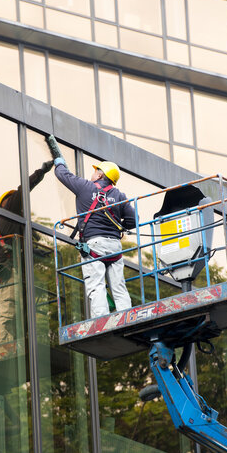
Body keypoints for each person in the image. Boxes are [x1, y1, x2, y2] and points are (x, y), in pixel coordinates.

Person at [47, 136, 135, 318]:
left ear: (101, 175)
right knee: (118, 286)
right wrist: (120, 227)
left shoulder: (85, 187)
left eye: (96, 171)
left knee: (96, 286)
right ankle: (126, 316)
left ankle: (101, 320)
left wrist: (60, 162)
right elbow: (133, 221)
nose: (93, 173)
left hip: (94, 245)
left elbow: (62, 175)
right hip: (114, 247)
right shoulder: (120, 196)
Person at [0, 160, 54, 344]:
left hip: (15, 271)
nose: (19, 204)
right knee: (9, 309)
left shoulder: (14, 226)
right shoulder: (8, 211)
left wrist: (36, 252)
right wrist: (41, 172)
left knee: (18, 312)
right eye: (13, 200)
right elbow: (23, 189)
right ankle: (4, 343)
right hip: (9, 270)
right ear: (7, 203)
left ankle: (13, 343)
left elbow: (19, 249)